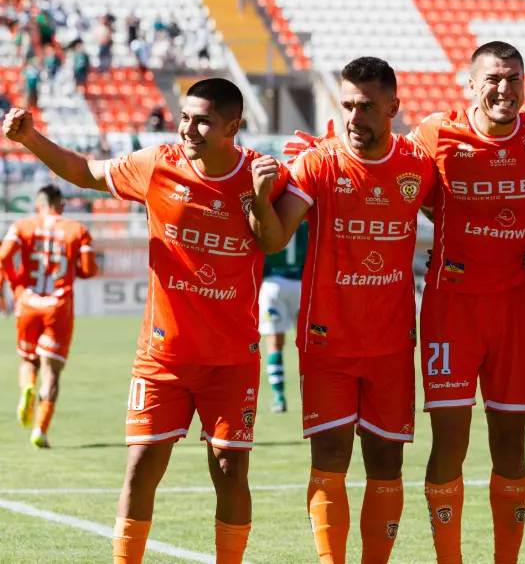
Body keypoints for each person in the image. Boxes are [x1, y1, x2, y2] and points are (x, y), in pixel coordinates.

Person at [2, 78, 289, 564]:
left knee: (229, 468)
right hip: (162, 358)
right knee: (140, 465)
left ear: (233, 127)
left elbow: (274, 240)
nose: (188, 129)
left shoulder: (263, 177)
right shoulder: (156, 164)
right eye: (184, 116)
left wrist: (261, 198)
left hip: (231, 359)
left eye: (203, 120)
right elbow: (87, 171)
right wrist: (31, 139)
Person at [248, 56, 437, 564]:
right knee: (329, 458)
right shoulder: (317, 163)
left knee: (386, 463)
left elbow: (459, 215)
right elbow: (272, 239)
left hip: (393, 342)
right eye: (348, 105)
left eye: (368, 106)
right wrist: (260, 201)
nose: (356, 117)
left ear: (393, 107)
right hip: (327, 338)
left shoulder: (419, 167)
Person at [407, 41, 525, 564]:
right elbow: (396, 179)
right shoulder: (436, 134)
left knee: (510, 442)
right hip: (450, 306)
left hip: (513, 308)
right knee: (450, 441)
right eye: (494, 79)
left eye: (514, 78)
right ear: (471, 85)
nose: (504, 89)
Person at [0, 184, 98, 448]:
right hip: (58, 305)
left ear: (38, 205)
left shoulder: (23, 225)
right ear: (61, 205)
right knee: (52, 371)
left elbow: (3, 256)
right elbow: (89, 271)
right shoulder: (77, 230)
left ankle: (26, 390)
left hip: (28, 301)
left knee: (27, 360)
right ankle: (40, 430)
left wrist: (15, 282)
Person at [258, 222, 307, 413]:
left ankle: (279, 397)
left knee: (274, 344)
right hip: (301, 283)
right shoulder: (303, 219)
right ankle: (312, 397)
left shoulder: (270, 217)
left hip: (273, 285)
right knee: (309, 345)